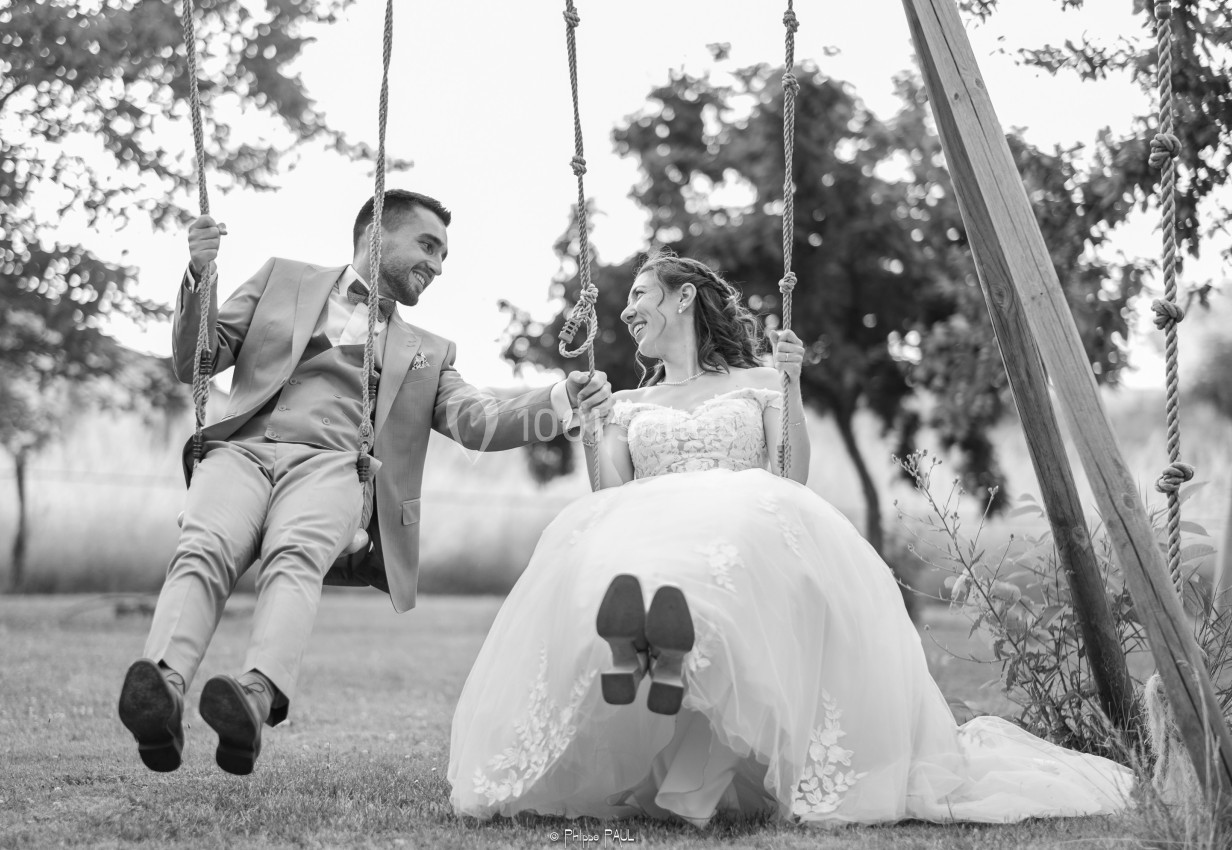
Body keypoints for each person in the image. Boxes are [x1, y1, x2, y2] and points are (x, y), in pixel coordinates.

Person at [446, 252, 1132, 826]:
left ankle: (659, 674)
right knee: (626, 554)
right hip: (656, 534)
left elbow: (789, 478)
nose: (626, 312)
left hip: (742, 531)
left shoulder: (760, 384)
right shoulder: (627, 404)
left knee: (731, 545)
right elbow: (612, 498)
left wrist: (794, 386)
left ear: (685, 298)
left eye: (640, 295)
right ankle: (655, 666)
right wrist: (595, 428)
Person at [117, 190, 611, 776]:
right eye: (428, 246)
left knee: (294, 555)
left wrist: (561, 399)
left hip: (333, 467)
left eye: (445, 254)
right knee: (203, 547)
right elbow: (195, 359)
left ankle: (254, 694)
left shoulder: (428, 352)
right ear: (377, 235)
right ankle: (163, 689)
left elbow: (478, 422)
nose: (439, 265)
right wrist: (200, 274)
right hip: (240, 451)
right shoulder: (282, 278)